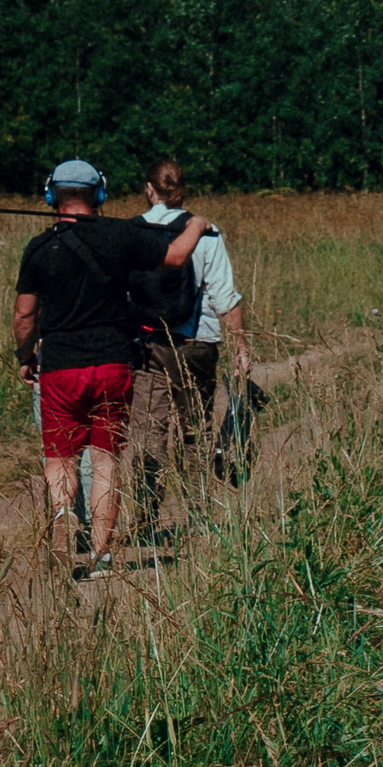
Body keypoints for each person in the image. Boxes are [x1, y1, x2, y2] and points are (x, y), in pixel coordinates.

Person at [13, 158, 211, 577]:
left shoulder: (38, 247)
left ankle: (65, 527)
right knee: (105, 459)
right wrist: (197, 223)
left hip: (60, 369)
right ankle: (102, 554)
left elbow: (24, 316)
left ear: (52, 196)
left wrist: (25, 357)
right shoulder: (122, 235)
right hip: (113, 365)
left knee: (60, 460)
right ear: (99, 195)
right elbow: (175, 256)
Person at [129, 154, 248, 518]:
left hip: (148, 343)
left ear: (149, 190)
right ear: (182, 191)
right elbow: (224, 295)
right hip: (198, 342)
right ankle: (197, 510)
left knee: (149, 428)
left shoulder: (130, 231)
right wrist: (240, 344)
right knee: (195, 426)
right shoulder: (207, 232)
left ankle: (147, 512)